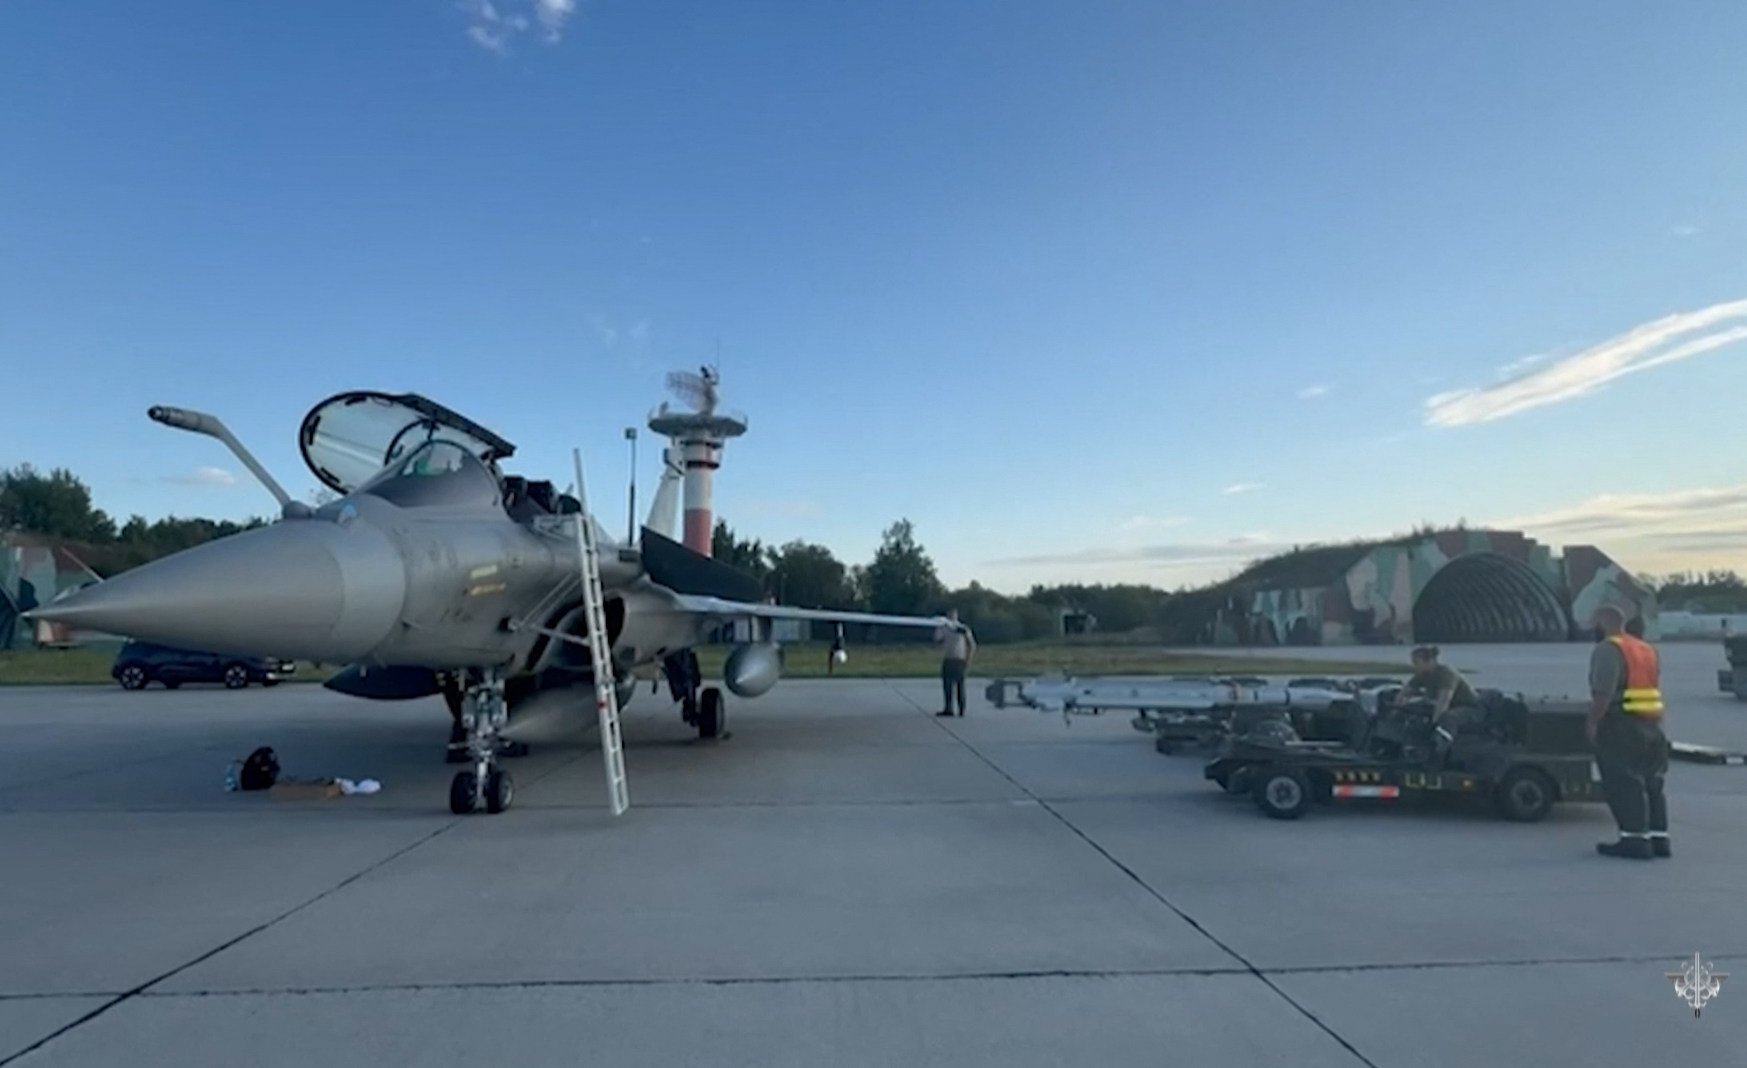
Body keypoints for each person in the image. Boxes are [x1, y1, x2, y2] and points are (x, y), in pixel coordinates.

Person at [1588, 605, 1669, 859]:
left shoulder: (1607, 649)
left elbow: (1604, 693)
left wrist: (1593, 722)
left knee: (1625, 784)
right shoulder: (1645, 649)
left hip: (1622, 725)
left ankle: (1634, 841)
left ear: (1603, 623)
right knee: (1652, 784)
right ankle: (1659, 839)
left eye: (1594, 622)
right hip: (1651, 724)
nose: (1591, 628)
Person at [1393, 645, 1481, 763]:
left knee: (1448, 718)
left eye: (1416, 662)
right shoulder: (1422, 675)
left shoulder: (1446, 674)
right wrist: (1396, 710)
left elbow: (1444, 700)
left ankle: (1438, 752)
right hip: (1450, 706)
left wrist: (1434, 723)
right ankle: (1406, 746)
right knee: (1413, 709)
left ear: (1429, 661)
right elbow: (1404, 693)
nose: (1414, 666)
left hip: (1470, 708)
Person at [934, 609, 976, 717]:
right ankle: (948, 708)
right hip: (948, 659)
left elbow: (971, 644)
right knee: (947, 686)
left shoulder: (963, 628)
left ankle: (961, 709)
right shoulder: (944, 627)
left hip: (959, 659)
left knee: (960, 686)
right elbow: (938, 640)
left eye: (953, 615)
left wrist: (968, 659)